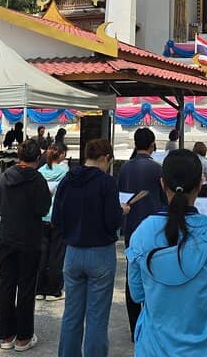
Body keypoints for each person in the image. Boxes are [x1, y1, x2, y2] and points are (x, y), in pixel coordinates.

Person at [127, 148, 207, 354]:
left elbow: (137, 294)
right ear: (200, 185)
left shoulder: (142, 234)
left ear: (162, 184)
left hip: (154, 348)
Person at [52, 138, 128, 357]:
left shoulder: (67, 180)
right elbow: (112, 221)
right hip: (100, 253)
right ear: (105, 158)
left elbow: (56, 218)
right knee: (97, 317)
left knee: (71, 314)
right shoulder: (106, 182)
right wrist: (121, 211)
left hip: (73, 252)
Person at [0, 139, 51, 351]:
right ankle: (23, 337)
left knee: (6, 285)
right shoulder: (38, 180)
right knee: (27, 287)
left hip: (8, 237)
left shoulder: (4, 177)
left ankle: (7, 335)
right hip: (30, 238)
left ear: (19, 156)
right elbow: (43, 209)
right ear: (37, 158)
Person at [116, 128, 166, 339]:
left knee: (132, 276)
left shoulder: (125, 167)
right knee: (155, 275)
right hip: (154, 227)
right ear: (152, 144)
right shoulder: (157, 169)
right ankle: (152, 323)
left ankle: (134, 325)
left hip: (131, 226)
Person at [37, 142, 69, 302]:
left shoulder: (40, 172)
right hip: (58, 216)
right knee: (57, 254)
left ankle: (39, 288)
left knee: (41, 253)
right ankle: (53, 289)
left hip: (41, 216)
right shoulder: (66, 173)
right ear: (62, 155)